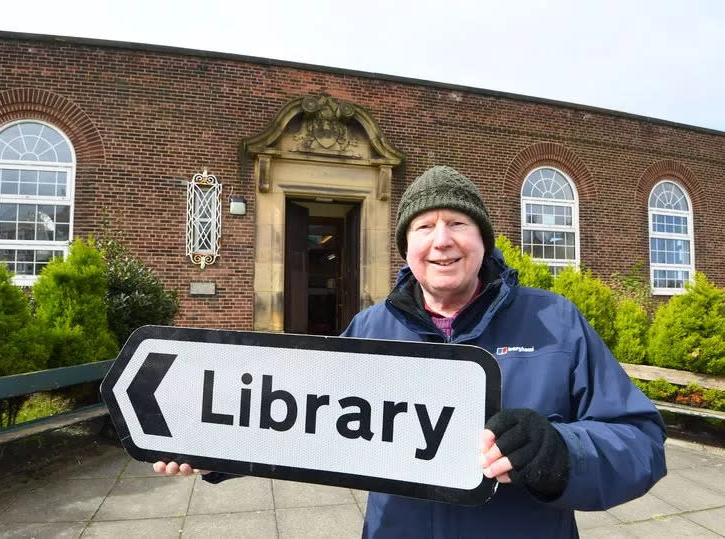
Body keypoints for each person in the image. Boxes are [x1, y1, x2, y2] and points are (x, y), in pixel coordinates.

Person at [154, 165, 667, 538]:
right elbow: (295, 417)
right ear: (407, 247)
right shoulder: (370, 328)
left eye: (458, 224)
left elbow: (640, 441)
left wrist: (562, 453)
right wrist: (212, 443)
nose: (441, 241)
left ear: (484, 240)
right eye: (424, 227)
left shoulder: (555, 321)